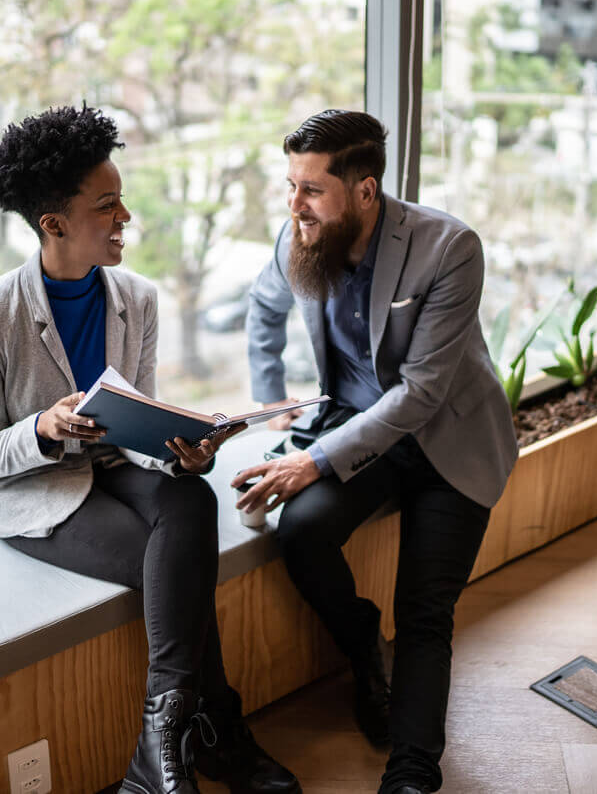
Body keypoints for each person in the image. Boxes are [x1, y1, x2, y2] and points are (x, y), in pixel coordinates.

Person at [0, 106, 299, 794]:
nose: (126, 216)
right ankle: (215, 733)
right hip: (42, 493)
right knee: (172, 562)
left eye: (121, 199)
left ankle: (158, 744)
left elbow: (136, 427)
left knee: (191, 495)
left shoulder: (136, 299)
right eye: (106, 205)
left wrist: (182, 450)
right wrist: (44, 429)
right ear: (53, 224)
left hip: (116, 468)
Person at [233, 109, 519, 794]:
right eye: (290, 185)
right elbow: (261, 311)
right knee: (300, 531)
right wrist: (275, 418)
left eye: (310, 189)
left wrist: (312, 460)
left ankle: (413, 772)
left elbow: (420, 393)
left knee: (424, 608)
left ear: (363, 191)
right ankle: (366, 649)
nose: (293, 203)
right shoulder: (296, 239)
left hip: (448, 440)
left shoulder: (447, 247)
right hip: (360, 435)